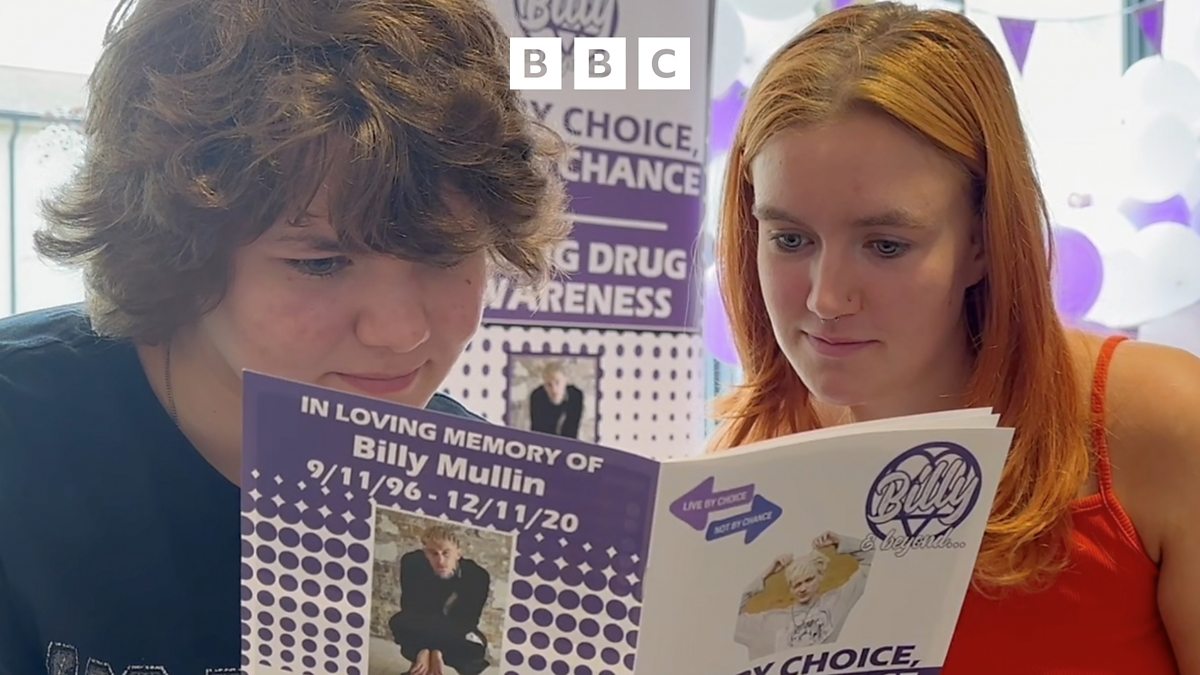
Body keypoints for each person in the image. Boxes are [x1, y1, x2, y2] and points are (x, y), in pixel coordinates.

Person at [0, 0, 570, 671]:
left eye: (446, 255)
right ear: (181, 252)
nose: (401, 332)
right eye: (320, 263)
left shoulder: (469, 483)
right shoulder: (21, 432)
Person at [708, 3, 1199, 674]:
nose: (826, 298)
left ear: (982, 242)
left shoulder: (1158, 422)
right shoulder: (749, 454)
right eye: (790, 239)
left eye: (886, 245)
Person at [734, 531, 873, 659]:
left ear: (820, 576)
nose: (803, 588)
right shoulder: (773, 620)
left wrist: (840, 542)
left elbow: (872, 561)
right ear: (790, 588)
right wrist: (766, 574)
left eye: (808, 580)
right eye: (797, 584)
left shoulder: (836, 601)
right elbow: (729, 618)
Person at [389, 526, 491, 675]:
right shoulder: (412, 563)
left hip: (457, 631)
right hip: (424, 623)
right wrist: (422, 650)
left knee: (476, 646)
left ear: (458, 553)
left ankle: (432, 661)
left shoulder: (477, 576)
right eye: (433, 553)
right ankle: (421, 664)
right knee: (400, 622)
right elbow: (410, 609)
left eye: (446, 553)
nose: (440, 561)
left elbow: (467, 621)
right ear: (425, 553)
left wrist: (437, 651)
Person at [528, 361, 584, 438]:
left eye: (557, 382)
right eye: (549, 385)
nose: (554, 389)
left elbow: (572, 429)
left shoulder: (575, 395)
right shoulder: (537, 397)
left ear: (565, 381)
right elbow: (538, 431)